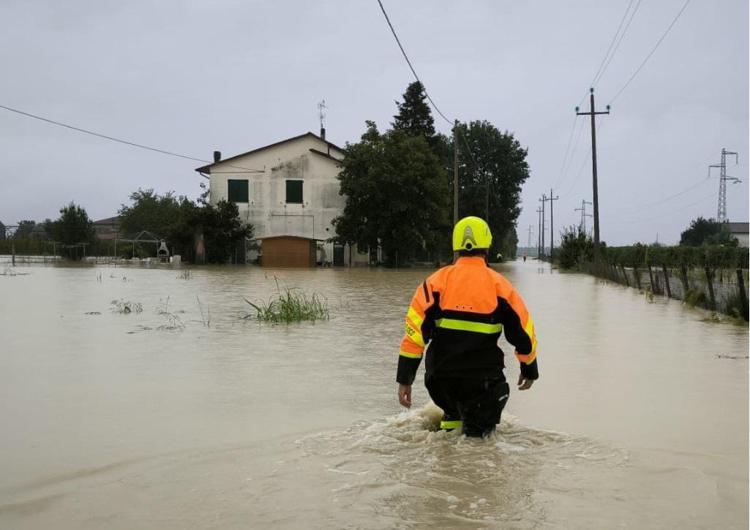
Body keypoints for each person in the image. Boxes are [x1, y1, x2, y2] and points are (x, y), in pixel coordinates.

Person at [396, 216, 538, 437]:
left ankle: (446, 451)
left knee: (451, 419)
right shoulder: (500, 286)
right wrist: (529, 369)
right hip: (483, 382)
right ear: (487, 246)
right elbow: (523, 333)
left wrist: (405, 379)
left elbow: (413, 336)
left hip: (441, 380)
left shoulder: (433, 284)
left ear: (456, 247)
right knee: (477, 441)